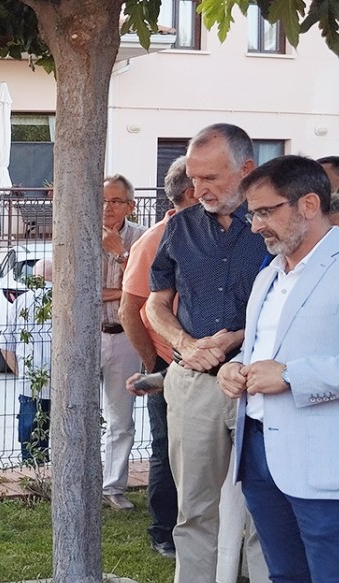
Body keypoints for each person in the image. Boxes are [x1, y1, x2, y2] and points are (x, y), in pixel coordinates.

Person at [219, 154, 339, 583]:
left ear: (308, 204)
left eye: (264, 212)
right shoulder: (268, 276)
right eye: (252, 214)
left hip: (328, 469)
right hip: (260, 456)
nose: (255, 226)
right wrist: (237, 371)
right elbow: (263, 355)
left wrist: (293, 377)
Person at [145, 124, 284, 583]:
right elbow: (156, 304)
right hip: (194, 382)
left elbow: (289, 301)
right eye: (194, 177)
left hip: (261, 383)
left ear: (245, 170)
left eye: (210, 176)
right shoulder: (178, 229)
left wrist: (230, 339)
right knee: (194, 506)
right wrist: (184, 344)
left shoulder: (274, 228)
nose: (197, 186)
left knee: (263, 510)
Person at [120, 157, 196, 558]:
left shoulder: (226, 236)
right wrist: (155, 366)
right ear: (193, 192)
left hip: (214, 365)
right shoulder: (155, 240)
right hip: (170, 364)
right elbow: (129, 311)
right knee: (167, 448)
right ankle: (163, 530)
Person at [99, 175, 145, 510]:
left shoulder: (142, 238)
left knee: (121, 418)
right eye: (102, 200)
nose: (107, 207)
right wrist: (122, 293)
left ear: (130, 205)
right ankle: (82, 480)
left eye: (115, 201)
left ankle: (113, 486)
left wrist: (119, 253)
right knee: (79, 413)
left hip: (126, 337)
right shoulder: (81, 233)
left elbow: (145, 288)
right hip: (87, 337)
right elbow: (74, 289)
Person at [0, 259, 53, 463]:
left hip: (30, 382)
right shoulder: (66, 299)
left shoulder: (21, 301)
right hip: (64, 383)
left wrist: (20, 374)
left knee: (31, 437)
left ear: (35, 277)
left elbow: (5, 345)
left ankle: (32, 475)